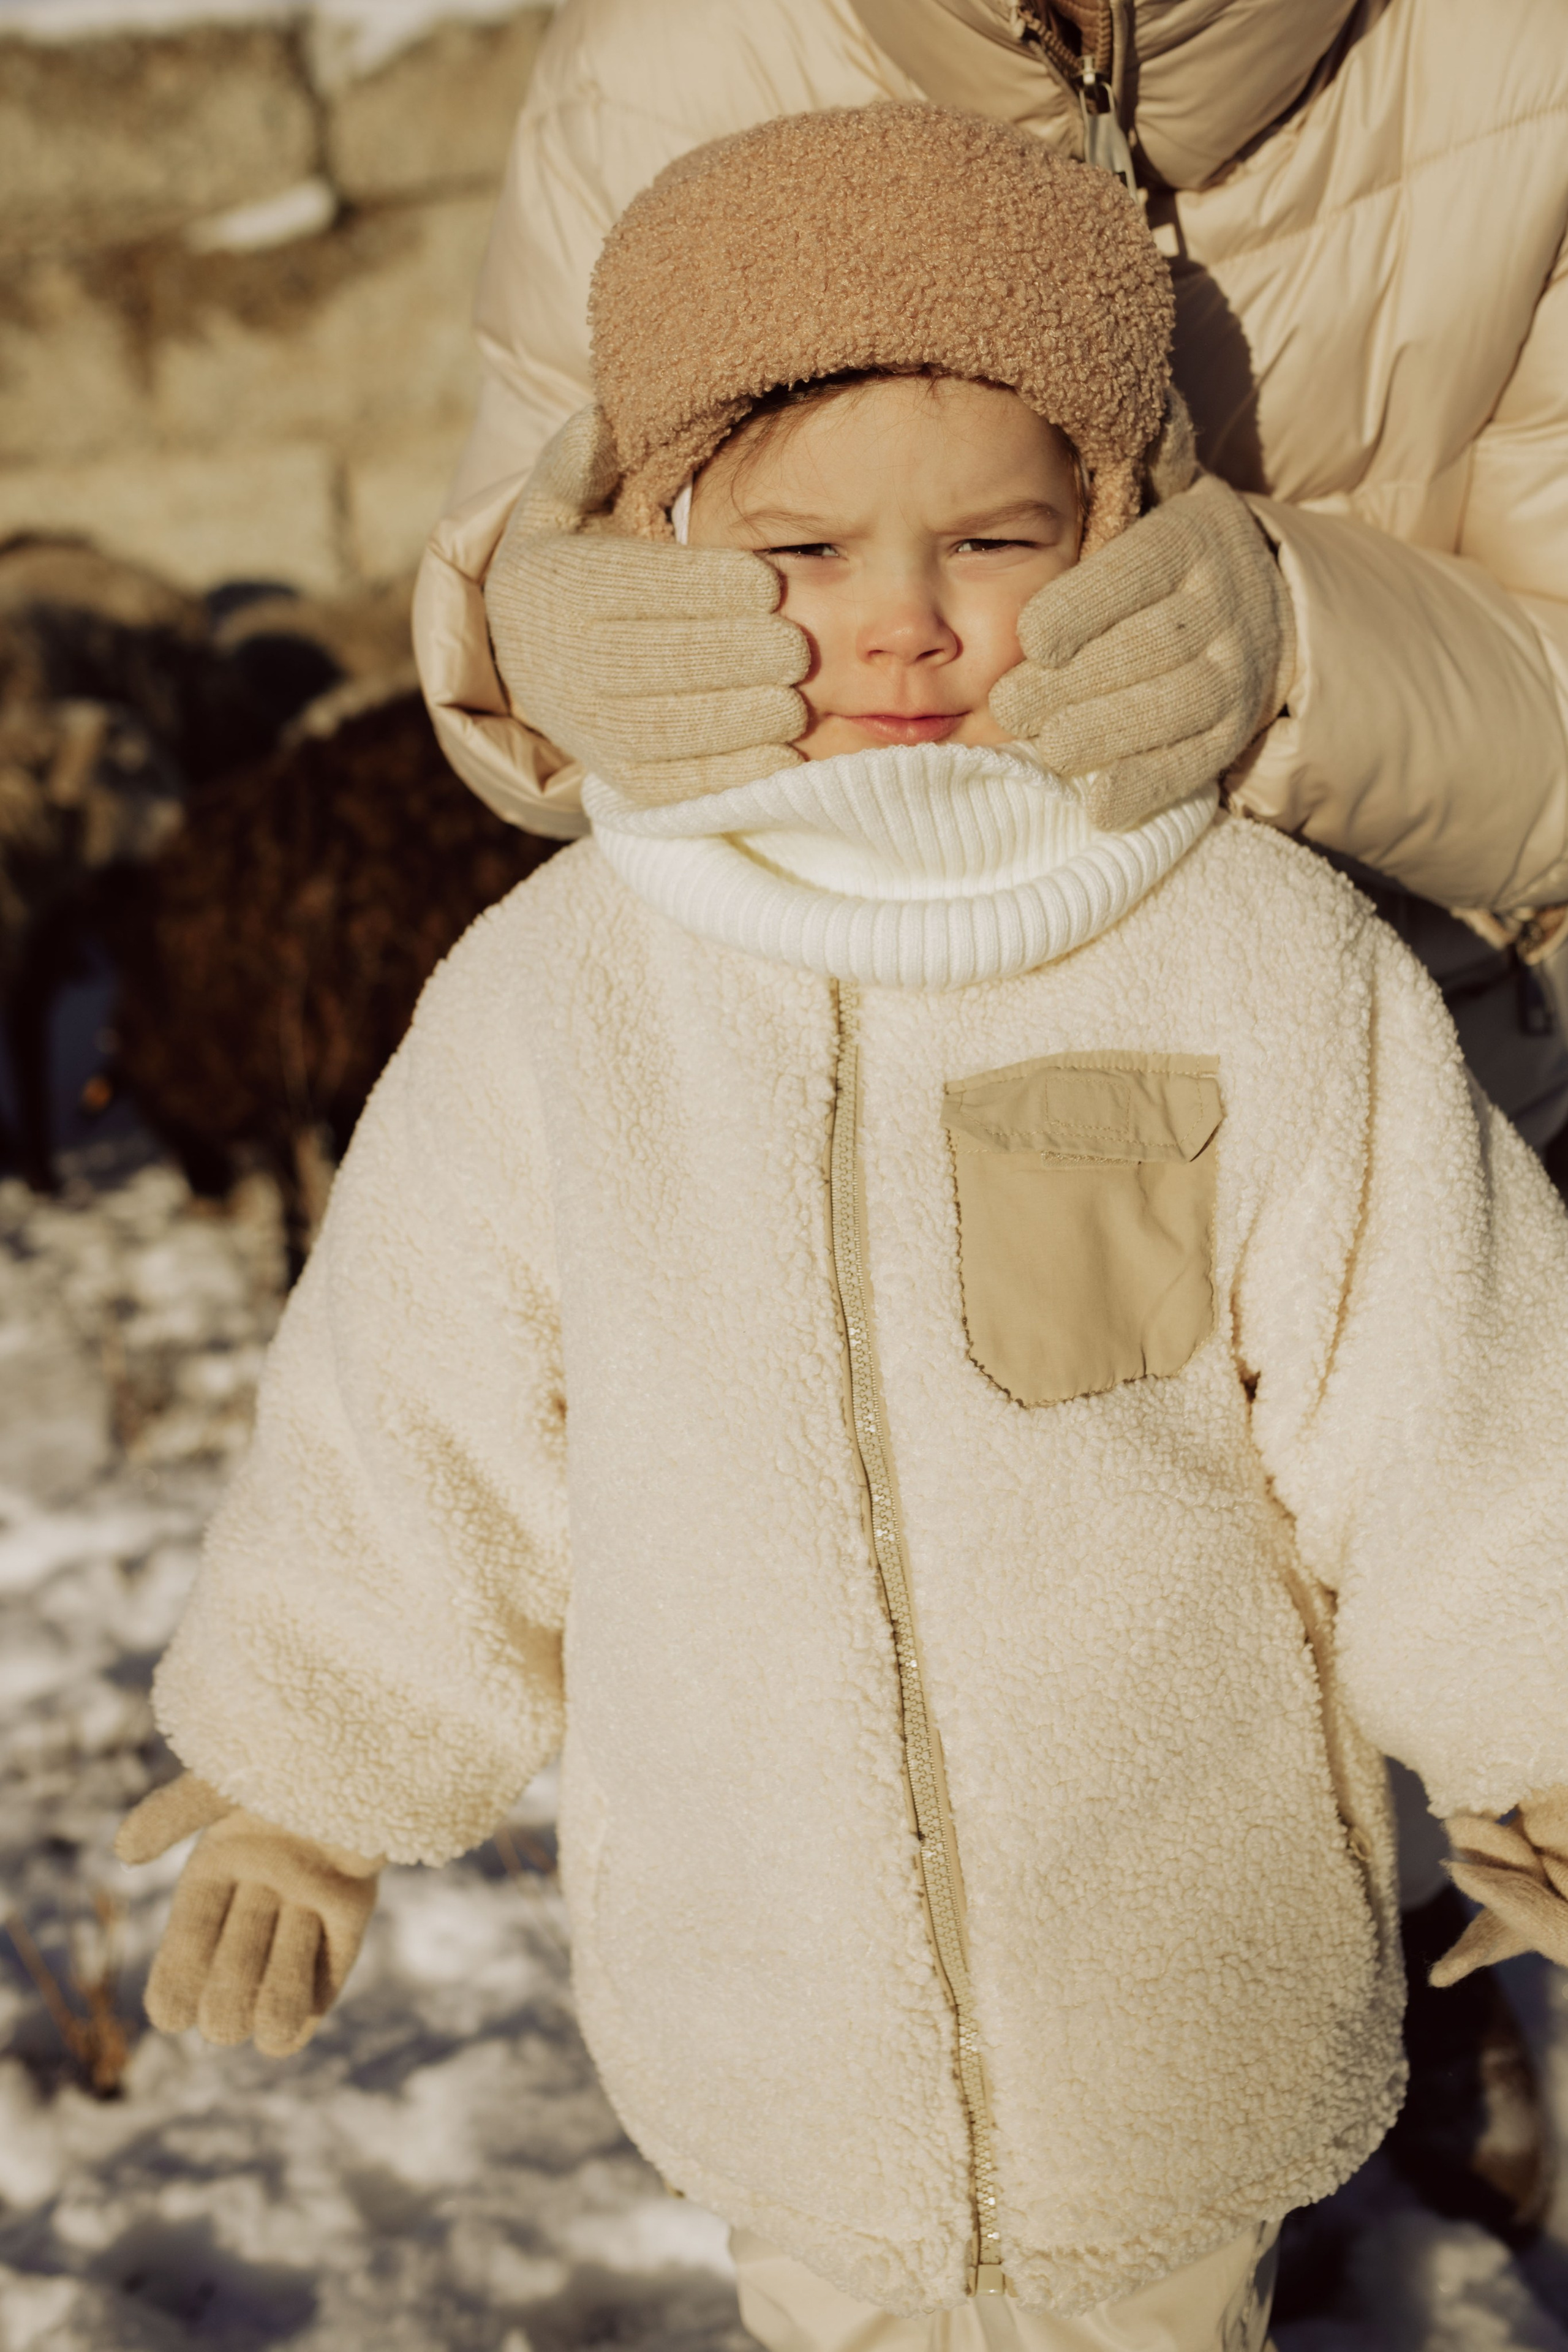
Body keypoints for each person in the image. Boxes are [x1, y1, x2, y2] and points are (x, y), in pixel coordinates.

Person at [119, 109, 1568, 2352]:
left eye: (994, 535)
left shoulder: (1249, 960)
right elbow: (414, 1412)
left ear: (1120, 526)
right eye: (798, 545)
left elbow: (1453, 1393)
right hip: (769, 2013)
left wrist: (1543, 1722)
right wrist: (303, 1791)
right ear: (660, 542)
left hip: (1174, 1998)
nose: (899, 615)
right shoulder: (568, 993)